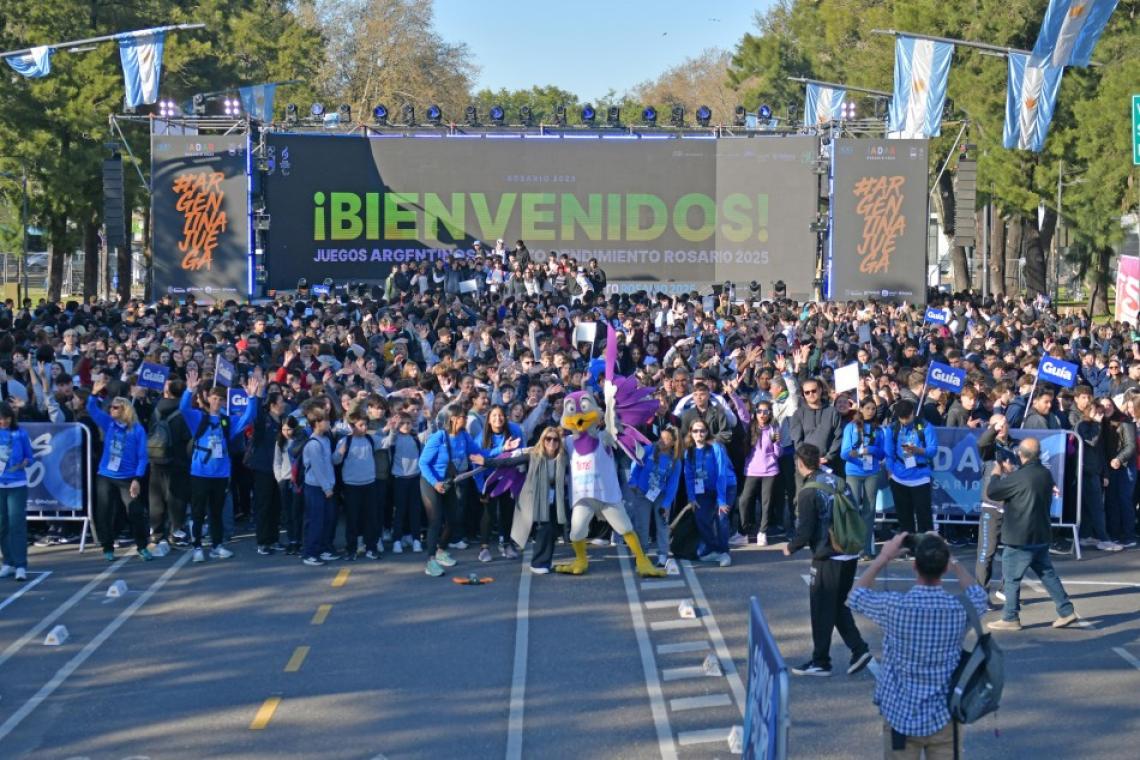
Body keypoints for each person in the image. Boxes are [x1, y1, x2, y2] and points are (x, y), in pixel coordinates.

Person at [848, 532, 990, 759]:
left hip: (899, 715)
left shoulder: (895, 606)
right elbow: (978, 595)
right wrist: (951, 559)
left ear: (914, 566)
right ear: (944, 569)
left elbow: (855, 596)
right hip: (944, 715)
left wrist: (883, 557)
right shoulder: (958, 609)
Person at [784, 443, 871, 677]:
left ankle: (821, 661)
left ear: (800, 464)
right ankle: (858, 648)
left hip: (828, 555)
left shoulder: (808, 491)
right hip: (849, 551)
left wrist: (790, 548)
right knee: (838, 604)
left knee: (821, 608)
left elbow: (805, 531)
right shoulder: (837, 481)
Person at [985, 437, 1080, 631]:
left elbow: (993, 492)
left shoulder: (1019, 477)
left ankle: (1010, 617)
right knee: (1047, 574)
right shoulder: (1045, 474)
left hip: (1020, 537)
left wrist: (996, 473)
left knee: (1011, 577)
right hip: (1041, 534)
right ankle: (1066, 610)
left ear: (1021, 455)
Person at [180, 369, 261, 562]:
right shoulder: (199, 418)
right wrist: (189, 391)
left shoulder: (227, 421)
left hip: (221, 474)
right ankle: (197, 546)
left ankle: (217, 545)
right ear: (209, 399)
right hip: (200, 472)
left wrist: (251, 398)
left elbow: (247, 418)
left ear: (225, 401)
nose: (217, 401)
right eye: (214, 398)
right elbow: (183, 409)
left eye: (220, 399)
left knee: (216, 512)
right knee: (198, 512)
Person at [483, 426, 569, 574]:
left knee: (553, 530)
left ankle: (545, 562)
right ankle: (538, 563)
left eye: (555, 439)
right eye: (548, 439)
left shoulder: (563, 457)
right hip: (536, 499)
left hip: (556, 499)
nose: (552, 442)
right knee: (545, 529)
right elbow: (508, 462)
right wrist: (485, 461)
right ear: (542, 441)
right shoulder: (534, 455)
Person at [418, 404, 486, 577]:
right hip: (431, 482)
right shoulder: (438, 437)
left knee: (454, 519)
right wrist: (435, 483)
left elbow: (479, 452)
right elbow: (423, 463)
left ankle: (441, 550)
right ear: (453, 418)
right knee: (435, 520)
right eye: (464, 416)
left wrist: (504, 450)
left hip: (449, 482)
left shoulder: (464, 436)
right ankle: (430, 561)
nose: (467, 419)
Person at [86, 391, 151, 561]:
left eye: (115, 407)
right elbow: (91, 409)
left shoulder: (137, 430)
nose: (111, 410)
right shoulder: (109, 424)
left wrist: (137, 478)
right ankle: (107, 547)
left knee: (135, 512)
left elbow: (143, 456)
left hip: (128, 478)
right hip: (106, 475)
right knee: (104, 511)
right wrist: (93, 394)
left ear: (125, 410)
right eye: (110, 407)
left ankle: (142, 546)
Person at [974, 413, 1019, 600]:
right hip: (992, 508)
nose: (1002, 427)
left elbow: (1032, 467)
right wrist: (993, 429)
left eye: (1004, 424)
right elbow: (982, 444)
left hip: (1013, 508)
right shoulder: (990, 448)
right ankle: (981, 595)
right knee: (986, 553)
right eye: (997, 425)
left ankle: (1006, 589)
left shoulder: (1018, 446)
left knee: (1014, 552)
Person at [333, 408, 385, 560]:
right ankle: (351, 549)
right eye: (360, 425)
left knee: (371, 518)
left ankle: (371, 547)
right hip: (351, 486)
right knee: (352, 519)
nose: (364, 428)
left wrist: (393, 431)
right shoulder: (345, 441)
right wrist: (340, 453)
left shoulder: (370, 439)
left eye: (365, 425)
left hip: (369, 484)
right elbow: (335, 460)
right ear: (352, 426)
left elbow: (385, 443)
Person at [683, 421, 736, 567]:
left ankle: (724, 551)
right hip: (703, 489)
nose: (699, 434)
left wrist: (721, 500)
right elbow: (688, 476)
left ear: (707, 432)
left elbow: (721, 474)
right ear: (690, 432)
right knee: (701, 517)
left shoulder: (716, 447)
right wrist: (691, 498)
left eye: (702, 431)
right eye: (695, 431)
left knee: (721, 517)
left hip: (726, 486)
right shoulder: (689, 452)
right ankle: (712, 548)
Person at [882, 399, 938, 537]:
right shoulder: (892, 428)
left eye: (907, 417)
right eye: (901, 418)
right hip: (898, 478)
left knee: (924, 516)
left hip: (920, 477)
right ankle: (910, 548)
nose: (905, 421)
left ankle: (927, 548)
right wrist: (890, 473)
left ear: (913, 413)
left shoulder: (925, 426)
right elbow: (889, 453)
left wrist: (918, 450)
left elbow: (933, 450)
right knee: (904, 518)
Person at [628, 425, 683, 567]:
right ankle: (641, 554)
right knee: (642, 525)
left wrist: (666, 504)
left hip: (661, 495)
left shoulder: (675, 461)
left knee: (662, 525)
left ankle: (663, 554)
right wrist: (633, 482)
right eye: (661, 437)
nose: (662, 441)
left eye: (667, 439)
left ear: (673, 442)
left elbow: (673, 485)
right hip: (642, 492)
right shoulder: (648, 450)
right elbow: (636, 464)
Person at [841, 396, 885, 559]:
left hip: (871, 472)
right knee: (852, 508)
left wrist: (872, 450)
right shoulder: (851, 427)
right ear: (861, 409)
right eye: (867, 408)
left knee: (869, 510)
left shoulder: (879, 429)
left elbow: (882, 454)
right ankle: (852, 545)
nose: (871, 411)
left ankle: (865, 548)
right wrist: (855, 455)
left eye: (873, 409)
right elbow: (844, 453)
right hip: (854, 471)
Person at [736, 402, 783, 547]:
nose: (762, 414)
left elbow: (778, 454)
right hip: (752, 470)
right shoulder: (749, 426)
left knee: (766, 502)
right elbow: (742, 410)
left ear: (770, 414)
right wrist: (733, 394)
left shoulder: (774, 428)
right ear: (755, 413)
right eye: (759, 411)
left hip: (770, 470)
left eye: (766, 411)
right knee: (744, 500)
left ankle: (762, 532)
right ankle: (743, 531)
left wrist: (776, 443)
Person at [0, 403, 35, 581]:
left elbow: (30, 456)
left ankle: (20, 564)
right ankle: (8, 562)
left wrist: (24, 463)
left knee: (16, 524)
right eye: (0, 418)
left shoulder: (21, 433)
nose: (3, 421)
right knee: (2, 525)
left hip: (17, 484)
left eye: (6, 417)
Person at [299, 408, 337, 566]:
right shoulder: (313, 444)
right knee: (315, 520)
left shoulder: (326, 440)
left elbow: (330, 461)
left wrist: (340, 453)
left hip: (327, 486)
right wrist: (326, 488)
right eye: (325, 420)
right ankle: (310, 553)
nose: (328, 423)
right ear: (316, 423)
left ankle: (323, 549)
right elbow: (317, 468)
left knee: (327, 519)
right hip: (316, 487)